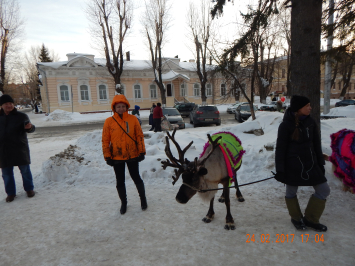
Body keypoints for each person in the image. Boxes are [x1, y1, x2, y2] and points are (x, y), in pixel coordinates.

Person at [275, 95, 330, 232]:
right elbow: (280, 149)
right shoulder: (286, 125)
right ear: (298, 108)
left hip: (311, 164)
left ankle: (310, 219)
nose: (310, 108)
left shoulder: (311, 122)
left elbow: (316, 145)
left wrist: (320, 163)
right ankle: (296, 218)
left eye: (310, 105)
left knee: (324, 190)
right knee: (291, 192)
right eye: (307, 106)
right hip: (292, 166)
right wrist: (280, 170)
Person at [102, 94, 147, 214]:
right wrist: (107, 156)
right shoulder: (109, 122)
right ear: (114, 108)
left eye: (123, 106)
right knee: (120, 181)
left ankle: (143, 199)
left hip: (132, 154)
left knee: (136, 177)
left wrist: (141, 151)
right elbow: (105, 140)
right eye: (118, 107)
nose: (121, 109)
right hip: (116, 155)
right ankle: (124, 203)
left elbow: (139, 136)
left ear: (127, 107)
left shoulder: (133, 119)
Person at [0, 94, 36, 202]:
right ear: (1, 105)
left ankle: (29, 189)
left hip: (19, 147)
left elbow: (31, 128)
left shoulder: (21, 116)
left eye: (11, 103)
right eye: (6, 104)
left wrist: (30, 128)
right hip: (3, 149)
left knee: (25, 170)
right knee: (6, 173)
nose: (9, 105)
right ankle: (10, 193)